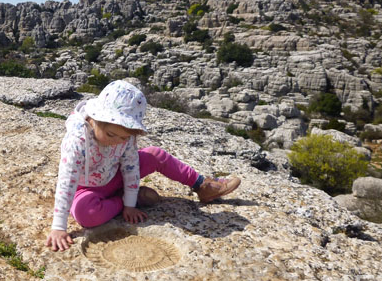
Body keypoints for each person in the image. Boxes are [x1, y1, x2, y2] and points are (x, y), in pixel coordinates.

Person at [46, 80, 240, 251]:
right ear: (94, 119)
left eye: (124, 137)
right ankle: (129, 198)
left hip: (115, 176)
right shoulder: (77, 141)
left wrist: (130, 207)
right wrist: (58, 227)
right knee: (84, 213)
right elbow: (66, 182)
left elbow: (130, 167)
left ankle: (202, 185)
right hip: (87, 187)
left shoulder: (125, 138)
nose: (117, 142)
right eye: (111, 135)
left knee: (155, 155)